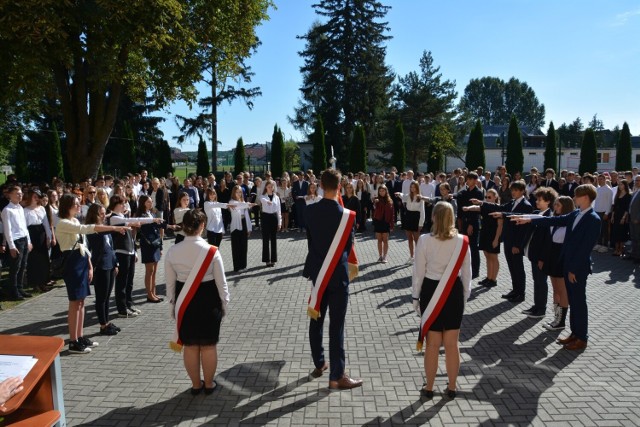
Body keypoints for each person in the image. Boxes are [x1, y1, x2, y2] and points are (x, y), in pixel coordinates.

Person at [512, 184, 600, 351]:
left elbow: (585, 248)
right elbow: (555, 220)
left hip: (577, 268)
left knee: (579, 303)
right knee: (574, 302)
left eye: (578, 196)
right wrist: (531, 219)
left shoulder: (593, 219)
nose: (575, 199)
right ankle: (575, 334)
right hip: (568, 265)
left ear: (586, 198)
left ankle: (582, 337)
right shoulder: (577, 213)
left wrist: (573, 269)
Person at [303, 169, 362, 390]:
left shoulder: (309, 212)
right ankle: (337, 376)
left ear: (320, 185)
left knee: (316, 317)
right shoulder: (348, 216)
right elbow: (347, 247)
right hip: (338, 274)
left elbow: (310, 242)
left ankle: (319, 363)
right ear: (340, 188)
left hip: (319, 272)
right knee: (336, 326)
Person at [166, 209, 229, 395]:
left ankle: (195, 385)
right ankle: (209, 384)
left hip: (185, 303)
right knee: (209, 346)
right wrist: (224, 305)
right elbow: (222, 284)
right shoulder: (212, 251)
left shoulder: (172, 251)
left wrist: (173, 307)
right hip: (209, 301)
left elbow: (169, 286)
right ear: (202, 226)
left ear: (183, 226)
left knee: (191, 346)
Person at [56, 193, 129, 353]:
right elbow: (86, 229)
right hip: (72, 262)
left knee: (81, 301)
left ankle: (80, 336)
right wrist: (114, 227)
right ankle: (73, 340)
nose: (78, 206)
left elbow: (84, 245)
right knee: (75, 302)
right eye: (75, 203)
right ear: (66, 206)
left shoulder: (75, 220)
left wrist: (89, 266)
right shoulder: (63, 223)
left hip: (81, 260)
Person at [412, 202, 471, 400]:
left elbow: (418, 272)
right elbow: (467, 275)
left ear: (434, 217)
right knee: (452, 344)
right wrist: (464, 296)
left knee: (432, 344)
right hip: (453, 292)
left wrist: (415, 297)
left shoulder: (424, 240)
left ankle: (429, 387)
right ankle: (452, 387)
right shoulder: (462, 241)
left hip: (430, 291)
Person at [474, 180, 533, 302]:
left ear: (522, 191)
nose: (513, 192)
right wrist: (482, 203)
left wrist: (518, 245)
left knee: (518, 268)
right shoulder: (512, 203)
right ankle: (515, 290)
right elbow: (500, 207)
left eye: (516, 190)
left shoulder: (526, 205)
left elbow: (521, 224)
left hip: (516, 243)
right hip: (508, 240)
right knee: (512, 267)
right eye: (512, 190)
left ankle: (520, 293)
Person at [107, 195, 160, 318]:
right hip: (121, 252)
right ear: (116, 205)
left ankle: (129, 304)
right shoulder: (113, 218)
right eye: (122, 204)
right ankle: (122, 308)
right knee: (122, 281)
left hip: (129, 251)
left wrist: (134, 251)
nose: (125, 206)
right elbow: (134, 220)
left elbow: (131, 233)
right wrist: (151, 220)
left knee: (129, 281)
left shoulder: (122, 217)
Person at [85, 203, 121, 336]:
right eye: (101, 213)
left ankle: (107, 322)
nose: (103, 215)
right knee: (101, 297)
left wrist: (116, 263)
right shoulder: (92, 228)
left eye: (104, 213)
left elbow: (111, 247)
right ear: (94, 214)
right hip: (101, 265)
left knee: (107, 296)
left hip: (110, 263)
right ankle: (102, 325)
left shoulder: (105, 227)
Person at [539, 196, 575, 330]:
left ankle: (561, 320)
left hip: (561, 256)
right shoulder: (554, 219)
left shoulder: (569, 222)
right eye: (555, 205)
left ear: (565, 206)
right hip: (552, 255)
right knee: (555, 289)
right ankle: (556, 318)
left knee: (562, 289)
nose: (555, 207)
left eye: (558, 205)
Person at [521, 187, 557, 318]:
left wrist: (543, 258)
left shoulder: (550, 217)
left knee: (541, 282)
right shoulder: (537, 213)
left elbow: (548, 241)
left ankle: (541, 309)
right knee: (536, 280)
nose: (537, 201)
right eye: (537, 199)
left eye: (540, 200)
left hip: (541, 257)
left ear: (548, 202)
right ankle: (536, 305)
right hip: (533, 254)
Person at [136, 194, 177, 303]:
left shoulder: (150, 213)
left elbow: (157, 225)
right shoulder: (141, 215)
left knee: (154, 271)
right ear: (143, 203)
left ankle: (153, 292)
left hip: (155, 244)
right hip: (148, 245)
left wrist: (169, 226)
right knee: (149, 271)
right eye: (148, 202)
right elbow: (149, 224)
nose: (151, 203)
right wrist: (155, 221)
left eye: (151, 202)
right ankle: (149, 294)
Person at [462, 188, 502, 288]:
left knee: (493, 256)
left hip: (493, 234)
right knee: (487, 255)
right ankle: (488, 277)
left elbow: (500, 225)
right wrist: (468, 208)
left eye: (489, 197)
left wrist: (496, 239)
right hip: (484, 233)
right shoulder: (485, 207)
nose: (487, 199)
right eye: (486, 197)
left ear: (495, 197)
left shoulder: (498, 207)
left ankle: (494, 279)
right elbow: (477, 207)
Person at [1, 185, 32, 300]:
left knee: (23, 265)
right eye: (17, 193)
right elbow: (7, 230)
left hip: (24, 238)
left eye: (21, 193)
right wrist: (12, 246)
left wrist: (28, 241)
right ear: (10, 195)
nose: (20, 195)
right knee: (15, 267)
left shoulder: (20, 208)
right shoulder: (7, 210)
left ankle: (19, 288)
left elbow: (24, 226)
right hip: (16, 240)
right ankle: (13, 291)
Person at [455, 172, 484, 279]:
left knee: (473, 247)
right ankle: (467, 268)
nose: (467, 181)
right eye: (467, 179)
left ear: (475, 181)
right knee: (465, 247)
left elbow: (477, 211)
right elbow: (460, 204)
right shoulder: (465, 192)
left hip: (473, 222)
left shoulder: (479, 193)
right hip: (464, 221)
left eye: (470, 179)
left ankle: (475, 271)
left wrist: (471, 224)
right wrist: (460, 222)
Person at [24, 188, 54, 293]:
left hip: (41, 233)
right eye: (35, 196)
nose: (37, 198)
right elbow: (25, 227)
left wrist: (49, 237)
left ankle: (43, 282)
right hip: (32, 234)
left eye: (38, 196)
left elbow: (46, 223)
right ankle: (35, 283)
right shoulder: (25, 210)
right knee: (34, 260)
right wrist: (28, 241)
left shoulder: (41, 209)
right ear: (30, 197)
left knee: (44, 259)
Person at [395, 181, 425, 263]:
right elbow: (402, 196)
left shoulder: (420, 198)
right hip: (408, 217)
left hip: (416, 217)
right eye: (411, 187)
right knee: (409, 239)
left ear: (417, 188)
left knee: (417, 240)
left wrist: (421, 223)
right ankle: (411, 256)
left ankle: (418, 257)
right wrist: (399, 194)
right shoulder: (408, 196)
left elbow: (422, 211)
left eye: (414, 187)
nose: (412, 189)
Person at [228, 185, 254, 272]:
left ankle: (243, 265)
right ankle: (237, 267)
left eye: (240, 192)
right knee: (236, 247)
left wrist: (249, 228)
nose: (239, 194)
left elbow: (247, 216)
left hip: (243, 223)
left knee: (244, 246)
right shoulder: (232, 202)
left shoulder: (243, 202)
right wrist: (248, 204)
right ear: (234, 193)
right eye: (237, 192)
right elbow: (238, 206)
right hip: (236, 226)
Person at [259, 180, 282, 267]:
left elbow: (279, 211)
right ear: (266, 187)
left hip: (274, 218)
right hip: (265, 217)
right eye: (268, 187)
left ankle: (273, 259)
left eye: (272, 187)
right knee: (265, 239)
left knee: (273, 239)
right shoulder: (263, 196)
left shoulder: (276, 197)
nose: (270, 188)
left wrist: (279, 223)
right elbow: (263, 200)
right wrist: (267, 201)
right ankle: (266, 260)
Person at [372, 185, 394, 263]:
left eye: (383, 191)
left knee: (385, 240)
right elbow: (374, 207)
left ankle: (385, 256)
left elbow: (392, 214)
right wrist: (375, 202)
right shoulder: (376, 200)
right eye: (380, 191)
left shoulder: (390, 201)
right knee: (379, 240)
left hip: (386, 222)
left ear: (386, 191)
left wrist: (392, 224)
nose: (381, 192)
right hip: (378, 221)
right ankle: (380, 256)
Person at [611, 179, 631, 257]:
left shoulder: (628, 195)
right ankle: (616, 249)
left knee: (622, 233)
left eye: (621, 184)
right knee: (615, 232)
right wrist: (612, 216)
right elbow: (614, 206)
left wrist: (623, 217)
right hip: (616, 215)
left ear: (625, 185)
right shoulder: (617, 194)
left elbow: (627, 208)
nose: (619, 186)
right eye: (619, 185)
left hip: (623, 216)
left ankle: (621, 249)